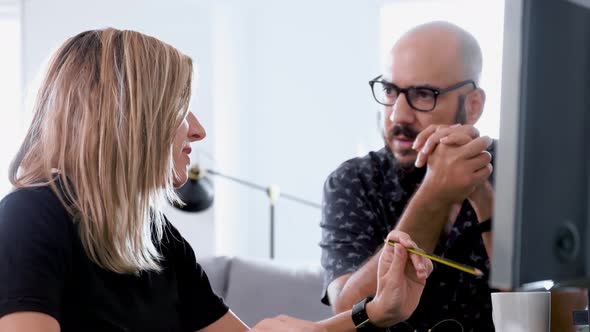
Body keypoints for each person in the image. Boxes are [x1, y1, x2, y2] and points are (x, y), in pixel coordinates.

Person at [0, 28, 433, 332]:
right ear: (127, 120)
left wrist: (374, 313)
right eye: (178, 109)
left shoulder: (156, 238)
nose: (197, 130)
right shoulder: (32, 217)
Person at [320, 21, 496, 331]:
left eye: (423, 94)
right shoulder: (355, 181)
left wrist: (486, 201)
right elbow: (348, 311)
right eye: (390, 90)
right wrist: (434, 193)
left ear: (473, 106)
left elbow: (562, 316)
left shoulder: (520, 173)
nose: (398, 114)